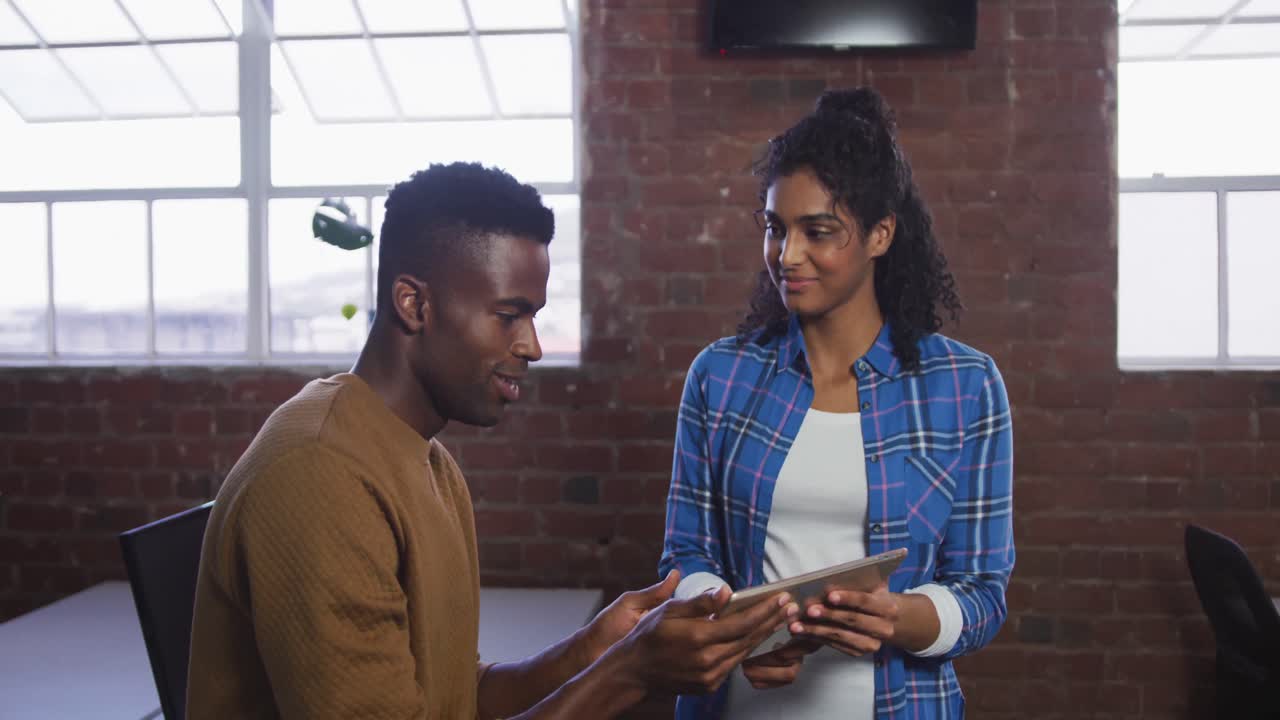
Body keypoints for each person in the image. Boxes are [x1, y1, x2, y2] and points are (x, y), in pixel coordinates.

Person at [187, 162, 799, 720]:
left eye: (532, 315)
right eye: (508, 315)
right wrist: (631, 669)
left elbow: (455, 700)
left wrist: (594, 648)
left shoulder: (429, 460)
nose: (531, 344)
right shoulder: (320, 474)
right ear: (413, 303)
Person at [660, 87, 1015, 719]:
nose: (787, 255)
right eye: (775, 228)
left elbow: (983, 593)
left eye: (818, 232)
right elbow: (686, 557)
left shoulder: (967, 387)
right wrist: (735, 631)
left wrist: (902, 618)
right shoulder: (720, 376)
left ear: (880, 235)